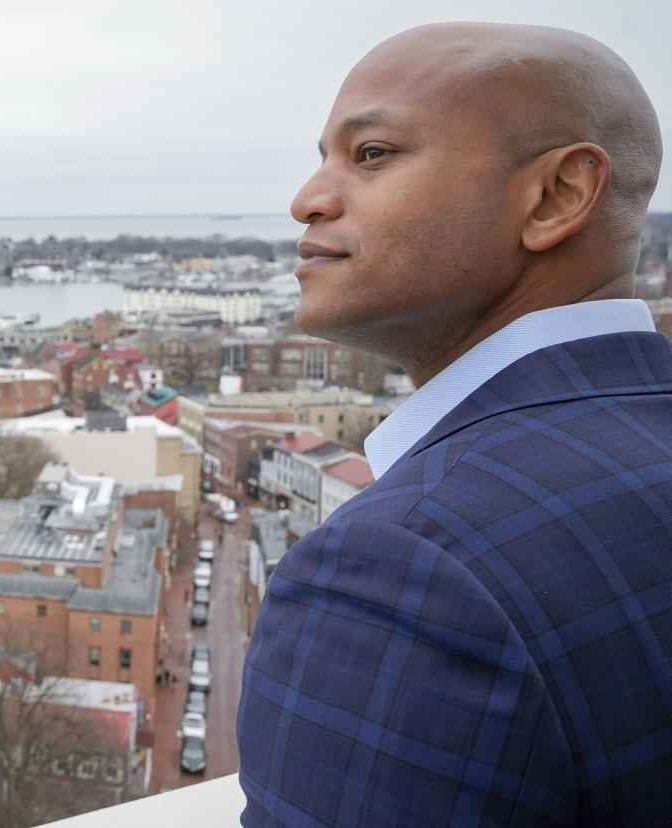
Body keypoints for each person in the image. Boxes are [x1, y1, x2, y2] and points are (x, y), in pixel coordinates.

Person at [237, 22, 670, 826]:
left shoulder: (406, 568)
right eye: (323, 156)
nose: (308, 199)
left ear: (558, 196)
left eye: (372, 154)